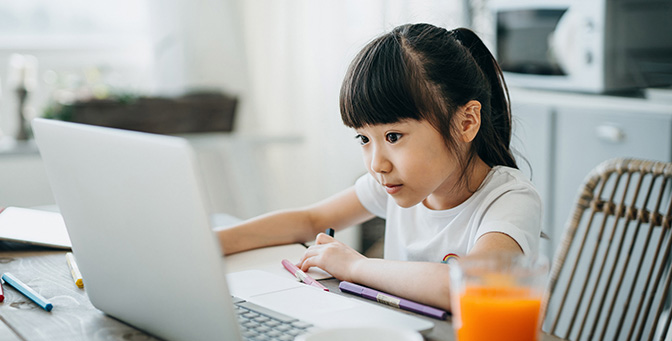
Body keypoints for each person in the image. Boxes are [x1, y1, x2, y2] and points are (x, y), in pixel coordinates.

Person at [216, 23, 542, 311]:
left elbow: (470, 285)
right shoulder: (395, 184)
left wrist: (356, 266)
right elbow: (310, 220)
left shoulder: (509, 200)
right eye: (363, 139)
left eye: (393, 136)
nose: (377, 164)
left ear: (465, 122)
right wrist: (213, 243)